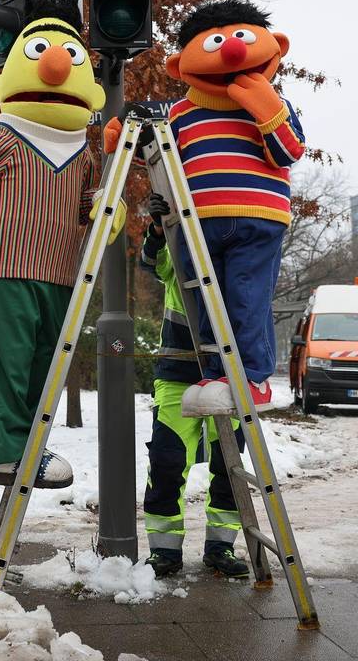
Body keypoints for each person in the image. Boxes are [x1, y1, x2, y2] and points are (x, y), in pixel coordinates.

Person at [0, 0, 124, 489]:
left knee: (48, 364)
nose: (59, 67)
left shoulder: (82, 153)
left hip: (62, 272)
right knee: (12, 364)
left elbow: (86, 200)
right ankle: (4, 453)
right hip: (8, 267)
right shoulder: (5, 140)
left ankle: (29, 448)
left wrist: (107, 208)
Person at [162, 0, 305, 416]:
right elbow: (162, 157)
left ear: (274, 45)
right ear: (180, 65)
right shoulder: (180, 113)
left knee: (247, 297)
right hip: (198, 221)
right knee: (208, 301)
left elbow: (288, 152)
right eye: (215, 42)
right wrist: (123, 138)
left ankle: (254, 378)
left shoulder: (273, 104)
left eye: (240, 38)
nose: (231, 50)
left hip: (259, 219)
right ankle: (216, 374)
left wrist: (265, 105)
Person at [139, 192, 249, 579]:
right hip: (177, 373)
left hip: (228, 376)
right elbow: (151, 262)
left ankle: (221, 548)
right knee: (167, 462)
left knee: (228, 467)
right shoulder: (183, 251)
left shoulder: (239, 261)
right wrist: (157, 229)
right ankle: (164, 553)